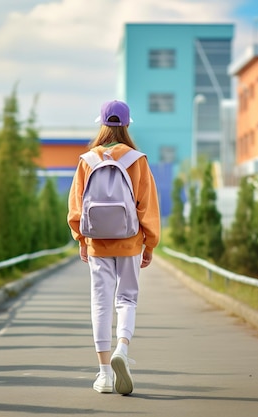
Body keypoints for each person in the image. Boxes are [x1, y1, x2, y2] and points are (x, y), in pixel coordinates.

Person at [67, 100, 161, 395]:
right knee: (127, 299)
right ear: (128, 125)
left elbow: (75, 206)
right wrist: (150, 244)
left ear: (102, 124)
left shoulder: (87, 160)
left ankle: (105, 374)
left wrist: (81, 238)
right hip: (130, 240)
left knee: (101, 303)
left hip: (97, 242)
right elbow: (148, 206)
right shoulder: (138, 160)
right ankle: (123, 347)